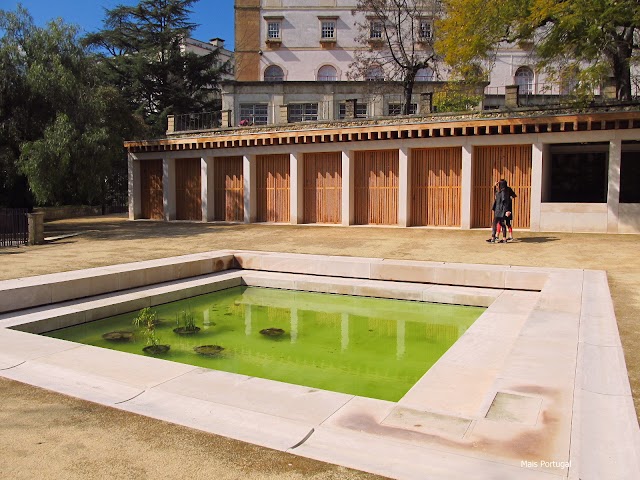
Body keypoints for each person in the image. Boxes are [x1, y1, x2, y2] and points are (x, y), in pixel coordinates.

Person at [486, 179, 512, 243]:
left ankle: (493, 238)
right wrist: (495, 186)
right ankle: (504, 239)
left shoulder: (501, 193)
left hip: (499, 211)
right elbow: (496, 193)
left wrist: (507, 211)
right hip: (501, 211)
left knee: (495, 224)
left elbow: (504, 201)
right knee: (502, 224)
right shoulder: (503, 192)